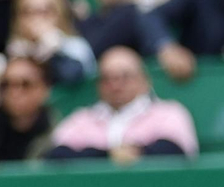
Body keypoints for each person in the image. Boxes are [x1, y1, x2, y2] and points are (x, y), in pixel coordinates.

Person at [47, 47, 199, 162]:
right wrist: (109, 155)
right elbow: (57, 155)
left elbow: (176, 151)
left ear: (144, 80)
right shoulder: (81, 119)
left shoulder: (169, 113)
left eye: (124, 77)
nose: (115, 85)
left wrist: (137, 152)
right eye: (107, 78)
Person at [8, 0, 96, 86]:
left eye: (45, 12)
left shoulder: (76, 46)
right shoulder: (15, 49)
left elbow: (71, 76)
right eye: (28, 12)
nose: (37, 19)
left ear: (59, 14)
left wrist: (55, 54)